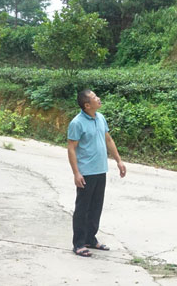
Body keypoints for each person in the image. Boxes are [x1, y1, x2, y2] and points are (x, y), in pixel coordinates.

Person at [67, 88, 126, 258]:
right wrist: (76, 173)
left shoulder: (100, 118)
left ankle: (90, 239)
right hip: (86, 172)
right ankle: (78, 244)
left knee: (96, 208)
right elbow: (71, 148)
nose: (98, 98)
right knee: (82, 209)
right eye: (94, 97)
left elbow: (108, 139)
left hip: (101, 170)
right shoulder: (77, 123)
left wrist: (119, 160)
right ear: (87, 105)